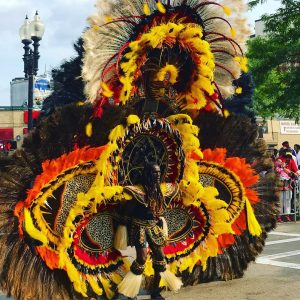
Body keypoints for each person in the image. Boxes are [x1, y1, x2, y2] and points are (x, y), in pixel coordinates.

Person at [116, 163, 181, 300]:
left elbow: (160, 208)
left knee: (160, 259)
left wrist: (159, 218)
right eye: (153, 173)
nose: (157, 175)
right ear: (147, 174)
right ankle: (128, 293)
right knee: (142, 258)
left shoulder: (159, 191)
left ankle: (155, 292)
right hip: (139, 227)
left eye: (158, 172)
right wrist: (123, 225)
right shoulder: (137, 191)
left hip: (153, 227)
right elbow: (127, 211)